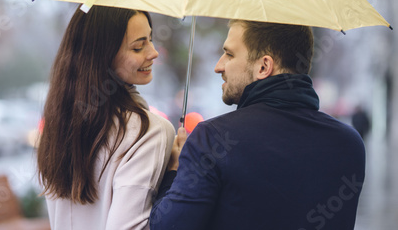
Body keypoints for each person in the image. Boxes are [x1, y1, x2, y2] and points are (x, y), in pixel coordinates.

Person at [150, 19, 366, 230]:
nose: (219, 66)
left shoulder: (212, 139)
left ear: (264, 66)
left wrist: (173, 172)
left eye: (229, 54)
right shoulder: (349, 144)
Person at [37, 5, 175, 230]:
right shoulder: (150, 132)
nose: (153, 52)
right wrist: (174, 174)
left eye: (150, 39)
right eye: (138, 46)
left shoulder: (58, 127)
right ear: (103, 56)